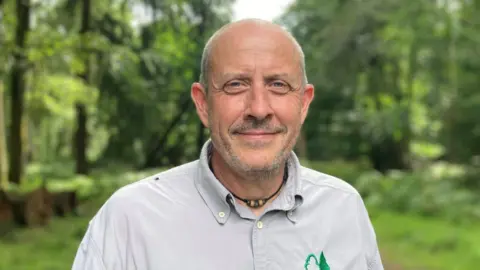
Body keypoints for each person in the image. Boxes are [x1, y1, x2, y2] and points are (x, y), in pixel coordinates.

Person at [72, 19, 384, 270]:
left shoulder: (344, 210)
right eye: (236, 85)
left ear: (303, 104)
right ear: (203, 103)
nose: (259, 109)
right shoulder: (129, 220)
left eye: (278, 84)